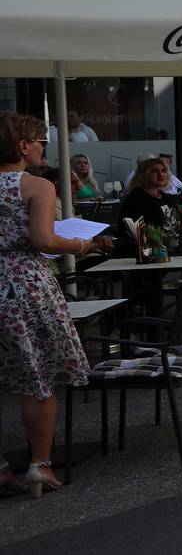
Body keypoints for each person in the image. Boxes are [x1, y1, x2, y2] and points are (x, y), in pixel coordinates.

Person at [0, 114, 115, 498]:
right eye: (40, 143)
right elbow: (44, 240)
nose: (43, 149)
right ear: (22, 146)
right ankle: (40, 465)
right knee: (39, 377)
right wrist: (84, 245)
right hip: (25, 285)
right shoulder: (35, 185)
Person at [115, 156, 176, 255]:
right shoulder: (137, 197)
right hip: (146, 250)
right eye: (154, 171)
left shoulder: (165, 197)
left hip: (166, 245)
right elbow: (139, 229)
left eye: (164, 171)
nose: (161, 174)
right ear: (143, 175)